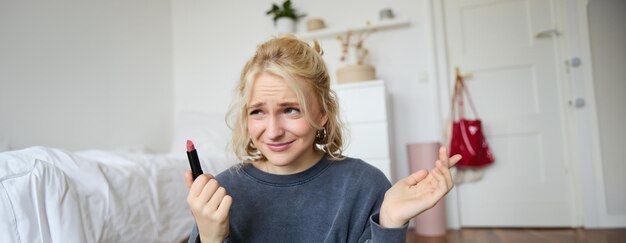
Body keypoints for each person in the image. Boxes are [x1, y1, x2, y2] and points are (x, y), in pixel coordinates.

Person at [184, 35, 461, 243]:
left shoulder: (365, 185)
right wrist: (211, 238)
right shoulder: (221, 193)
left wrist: (389, 222)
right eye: (257, 112)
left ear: (324, 112)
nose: (272, 131)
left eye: (291, 109)